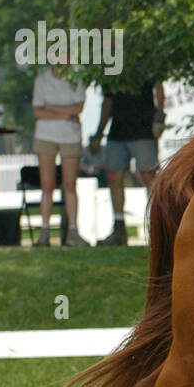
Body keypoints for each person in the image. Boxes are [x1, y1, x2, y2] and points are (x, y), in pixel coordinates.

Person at [90, 80, 163, 245]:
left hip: (144, 130)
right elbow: (107, 101)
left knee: (149, 177)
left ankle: (158, 227)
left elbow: (158, 87)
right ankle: (119, 228)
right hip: (117, 131)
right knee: (113, 177)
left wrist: (160, 115)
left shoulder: (146, 59)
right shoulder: (112, 66)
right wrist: (99, 131)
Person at [31, 61, 90, 247]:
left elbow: (78, 108)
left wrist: (51, 108)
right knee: (47, 185)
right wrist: (66, 115)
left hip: (70, 137)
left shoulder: (77, 79)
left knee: (69, 185)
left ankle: (73, 230)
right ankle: (45, 230)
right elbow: (37, 111)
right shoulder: (42, 80)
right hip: (46, 135)